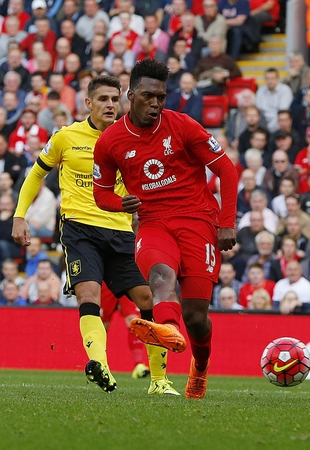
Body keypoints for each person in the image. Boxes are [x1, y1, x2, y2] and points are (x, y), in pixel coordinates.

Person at [11, 75, 180, 395]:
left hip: (120, 230)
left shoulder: (131, 137)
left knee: (147, 299)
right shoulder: (65, 137)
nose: (110, 105)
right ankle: (100, 365)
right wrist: (20, 215)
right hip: (79, 229)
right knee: (89, 294)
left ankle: (159, 380)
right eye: (103, 99)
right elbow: (36, 174)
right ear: (88, 103)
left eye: (115, 100)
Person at [93, 59, 238, 399]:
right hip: (154, 222)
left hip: (199, 221)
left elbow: (227, 171)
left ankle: (199, 368)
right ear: (130, 95)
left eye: (161, 96)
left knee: (197, 316)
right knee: (160, 276)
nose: (156, 103)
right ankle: (169, 331)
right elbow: (100, 193)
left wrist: (227, 224)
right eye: (148, 96)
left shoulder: (185, 126)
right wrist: (121, 204)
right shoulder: (110, 141)